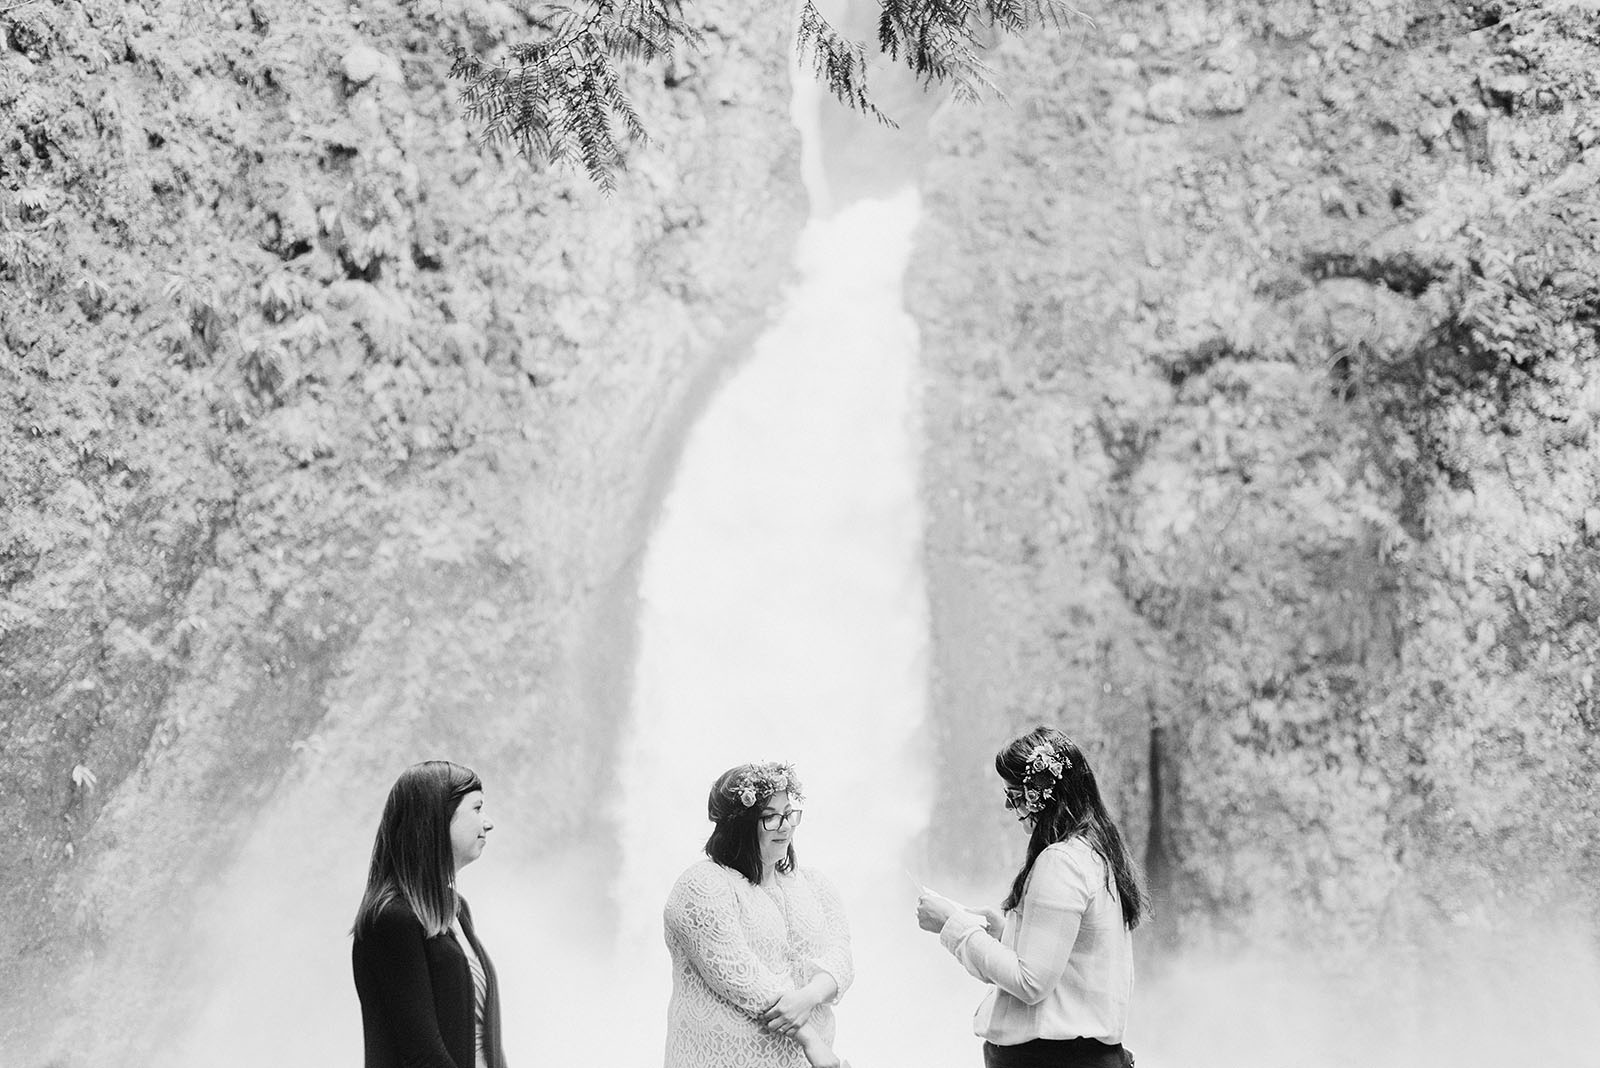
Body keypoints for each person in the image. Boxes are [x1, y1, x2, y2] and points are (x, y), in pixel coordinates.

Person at [915, 726, 1147, 1068]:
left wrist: (955, 925)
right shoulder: (1096, 853)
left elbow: (1030, 983)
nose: (1011, 810)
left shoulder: (1061, 862)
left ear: (1040, 796)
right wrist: (1006, 934)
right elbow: (1066, 967)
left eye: (1014, 797)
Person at [663, 761, 854, 1068]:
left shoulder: (816, 885)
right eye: (769, 818)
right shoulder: (703, 884)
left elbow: (841, 958)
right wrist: (810, 1040)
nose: (785, 826)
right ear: (738, 827)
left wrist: (808, 996)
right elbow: (742, 977)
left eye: (789, 814)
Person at [352, 760, 507, 1068]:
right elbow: (422, 1054)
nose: (487, 823)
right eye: (477, 809)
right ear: (439, 818)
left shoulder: (457, 910)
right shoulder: (391, 919)